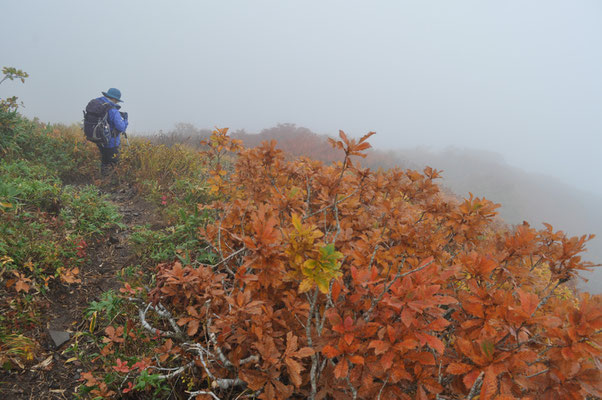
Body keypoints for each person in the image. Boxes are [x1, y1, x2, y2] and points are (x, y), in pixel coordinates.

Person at [95, 88, 129, 175]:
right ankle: (112, 182)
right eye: (117, 100)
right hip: (111, 142)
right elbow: (121, 127)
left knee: (104, 161)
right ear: (114, 99)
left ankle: (103, 179)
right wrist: (125, 120)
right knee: (114, 164)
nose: (117, 102)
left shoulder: (100, 106)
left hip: (100, 140)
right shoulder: (113, 110)